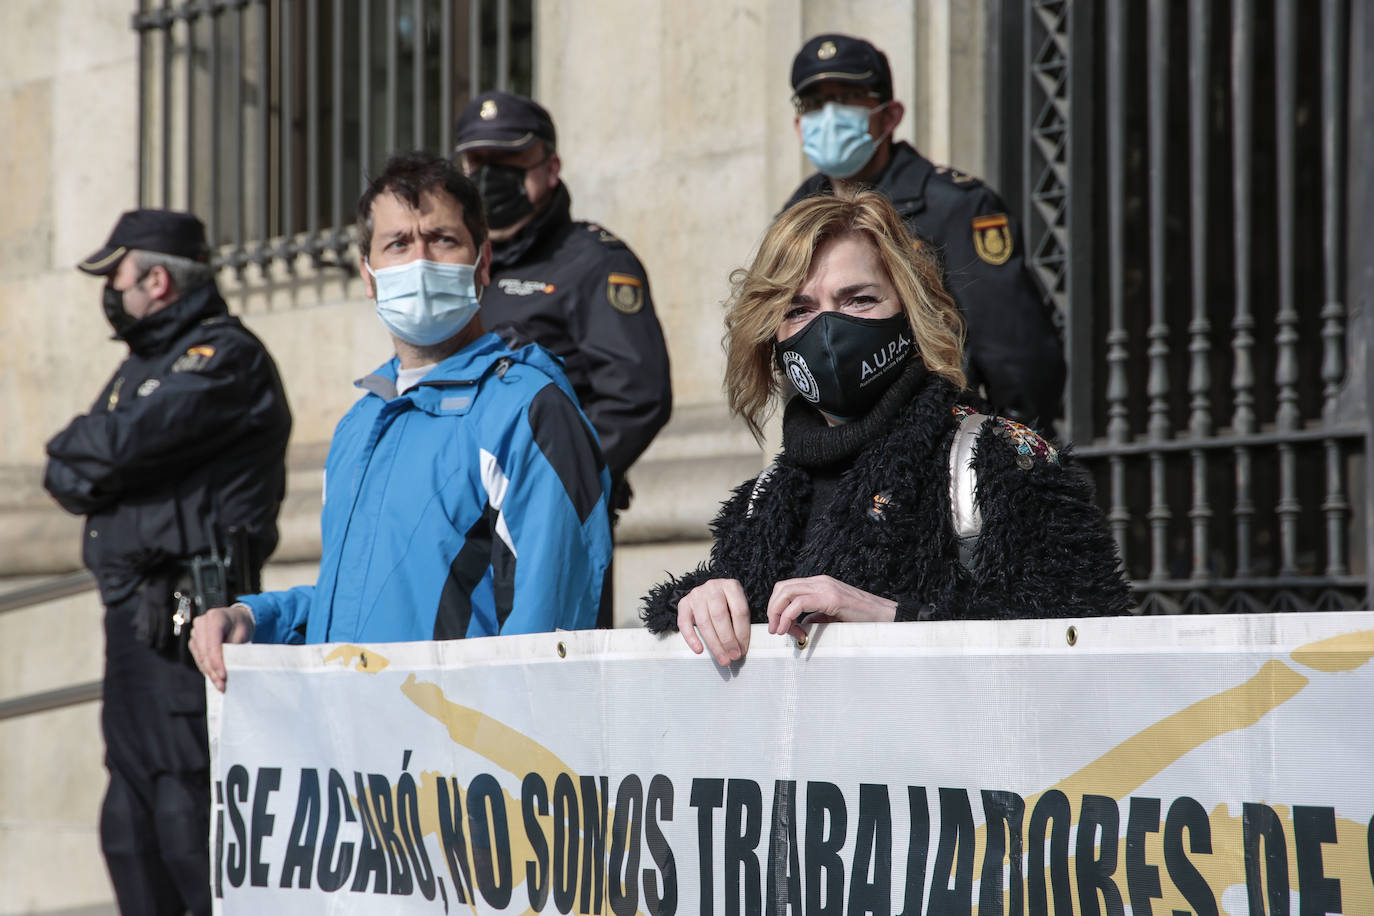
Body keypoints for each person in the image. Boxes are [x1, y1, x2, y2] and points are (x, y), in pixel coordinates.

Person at [640, 190, 1129, 665]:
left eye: (858, 300)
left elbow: (1087, 640)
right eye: (799, 309)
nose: (828, 331)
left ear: (909, 312)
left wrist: (895, 620)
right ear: (771, 335)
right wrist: (699, 604)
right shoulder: (762, 499)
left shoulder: (998, 459)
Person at [190, 151, 612, 690]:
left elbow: (550, 634)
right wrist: (254, 619)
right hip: (362, 755)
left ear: (482, 264)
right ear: (368, 276)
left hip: (458, 761)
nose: (420, 260)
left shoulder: (529, 410)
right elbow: (368, 603)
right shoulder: (361, 424)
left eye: (442, 239)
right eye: (398, 243)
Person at [44, 208, 291, 915]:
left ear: (156, 279)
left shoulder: (222, 357)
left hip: (192, 619)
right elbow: (64, 472)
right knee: (130, 820)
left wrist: (96, 452)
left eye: (115, 278)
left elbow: (118, 448)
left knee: (188, 814)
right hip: (130, 619)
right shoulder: (140, 366)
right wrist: (93, 452)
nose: (110, 294)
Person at [453, 91, 673, 624]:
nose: (490, 179)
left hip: (547, 526)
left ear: (550, 167)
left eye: (509, 163)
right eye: (478, 164)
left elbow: (636, 396)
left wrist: (548, 481)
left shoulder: (593, 261)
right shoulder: (457, 263)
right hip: (459, 526)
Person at [783, 33, 1065, 431]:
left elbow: (1016, 353)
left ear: (890, 114)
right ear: (798, 124)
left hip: (937, 438)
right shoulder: (795, 213)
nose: (829, 114)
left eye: (847, 97)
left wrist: (1009, 447)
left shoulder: (954, 204)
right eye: (815, 103)